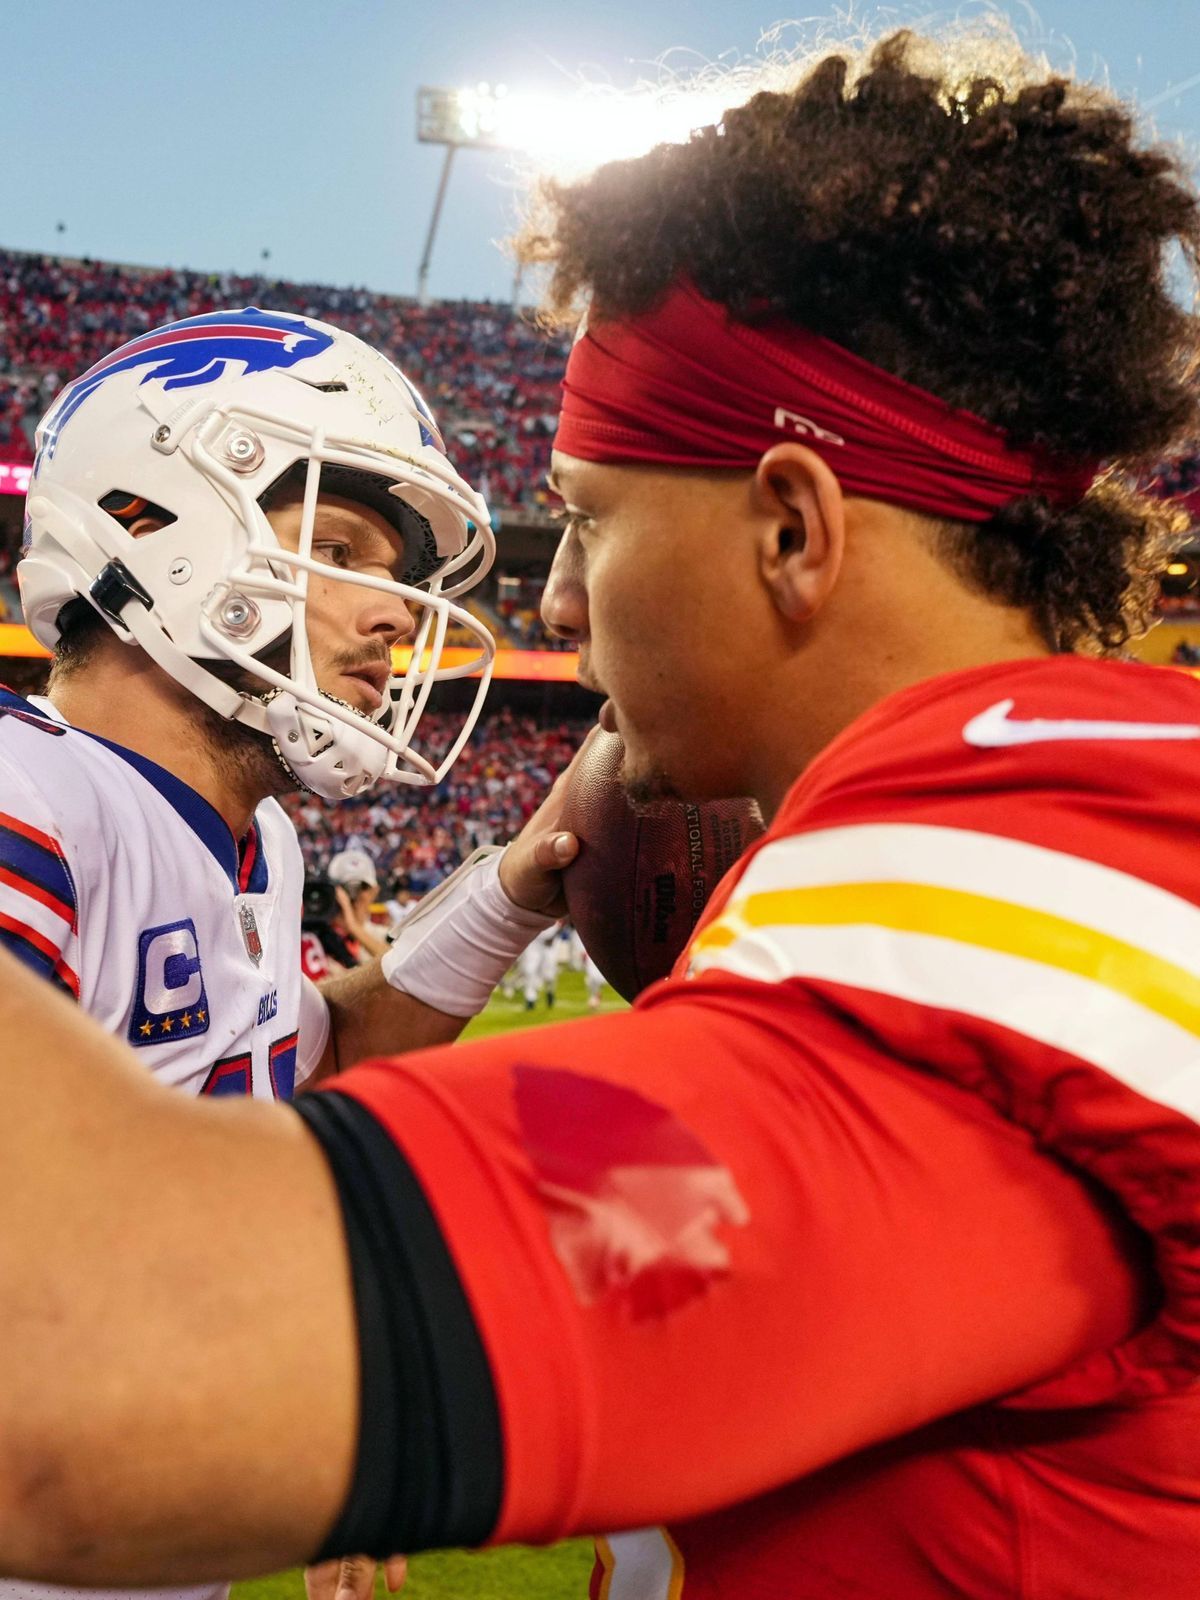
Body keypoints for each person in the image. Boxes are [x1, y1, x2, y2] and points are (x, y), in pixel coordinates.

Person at [2, 25, 1200, 1598]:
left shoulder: (1026, 892)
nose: (557, 591)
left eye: (587, 519)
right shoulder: (1035, 820)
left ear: (793, 526)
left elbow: (84, 1396)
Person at [0, 306, 574, 1600]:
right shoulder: (27, 797)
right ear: (153, 524)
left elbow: (305, 1064)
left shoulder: (248, 845)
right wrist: (328, 1424)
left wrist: (521, 878)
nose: (396, 618)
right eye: (338, 547)